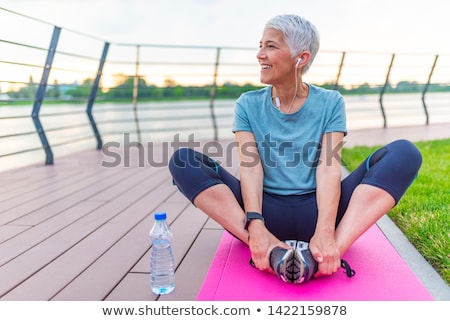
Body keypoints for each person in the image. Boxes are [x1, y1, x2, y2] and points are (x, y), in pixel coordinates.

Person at [168, 14, 422, 284]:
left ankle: (329, 250)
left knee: (405, 153)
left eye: (270, 46)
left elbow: (328, 167)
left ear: (300, 59)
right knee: (182, 160)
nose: (259, 54)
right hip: (264, 213)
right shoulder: (247, 104)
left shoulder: (330, 102)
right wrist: (255, 224)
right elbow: (251, 168)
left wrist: (325, 228)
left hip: (321, 210)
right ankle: (267, 246)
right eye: (260, 45)